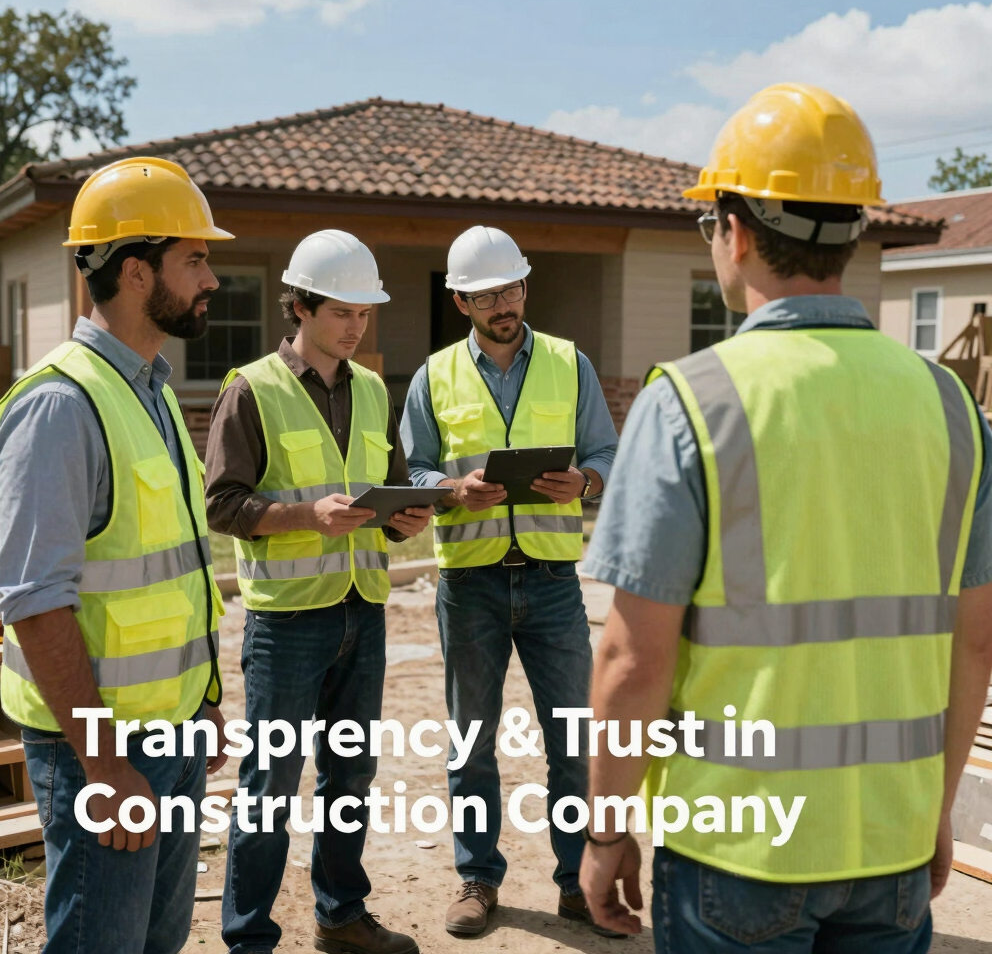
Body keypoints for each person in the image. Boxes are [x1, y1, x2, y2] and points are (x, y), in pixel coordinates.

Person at [579, 82, 992, 953]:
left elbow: (632, 658)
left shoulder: (691, 402)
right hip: (890, 839)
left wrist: (607, 831)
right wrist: (934, 809)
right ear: (854, 231)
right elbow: (976, 643)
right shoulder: (952, 407)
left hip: (737, 849)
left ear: (732, 228)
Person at [0, 156, 232, 953]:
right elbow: (33, 598)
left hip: (170, 736)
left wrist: (201, 703)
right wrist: (105, 764)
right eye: (195, 259)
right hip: (105, 752)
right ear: (136, 271)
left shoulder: (149, 387)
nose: (213, 280)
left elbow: (169, 570)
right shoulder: (62, 405)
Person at [205, 229, 432, 954]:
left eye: (365, 313)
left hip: (362, 614)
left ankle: (341, 916)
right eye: (343, 311)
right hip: (286, 626)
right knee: (270, 787)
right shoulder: (252, 390)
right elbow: (222, 505)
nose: (357, 326)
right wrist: (309, 516)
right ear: (300, 306)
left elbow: (387, 496)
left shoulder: (371, 389)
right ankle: (248, 940)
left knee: (349, 778)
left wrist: (407, 519)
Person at [400, 225, 619, 936]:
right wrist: (451, 489)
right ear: (461, 300)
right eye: (490, 294)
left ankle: (576, 881)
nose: (506, 303)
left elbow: (605, 455)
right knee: (472, 739)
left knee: (572, 738)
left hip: (554, 581)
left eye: (514, 287)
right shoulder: (432, 376)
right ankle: (476, 879)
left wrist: (582, 480)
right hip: (471, 584)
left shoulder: (569, 362)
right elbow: (412, 470)